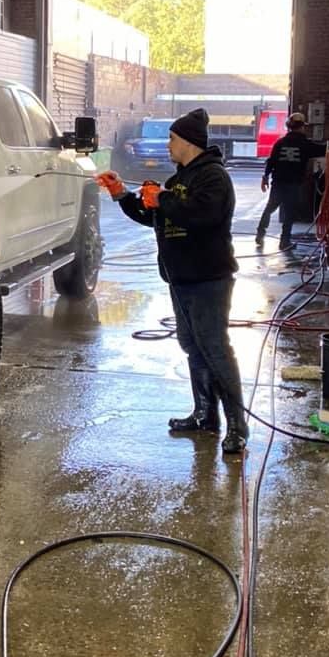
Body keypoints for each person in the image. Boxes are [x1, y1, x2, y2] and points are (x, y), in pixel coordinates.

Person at [96, 108, 249, 454]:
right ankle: (205, 415)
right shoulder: (181, 177)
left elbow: (203, 216)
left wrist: (162, 199)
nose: (168, 145)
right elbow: (156, 218)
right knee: (192, 345)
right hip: (180, 278)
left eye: (172, 138)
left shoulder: (213, 177)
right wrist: (122, 194)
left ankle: (238, 427)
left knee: (214, 348)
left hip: (208, 278)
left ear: (189, 142)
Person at [255, 112, 327, 250]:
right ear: (302, 127)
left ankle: (260, 233)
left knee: (270, 208)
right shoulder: (305, 145)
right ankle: (284, 241)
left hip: (278, 182)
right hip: (293, 184)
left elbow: (271, 162)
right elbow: (322, 149)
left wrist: (265, 177)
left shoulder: (280, 143)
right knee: (289, 213)